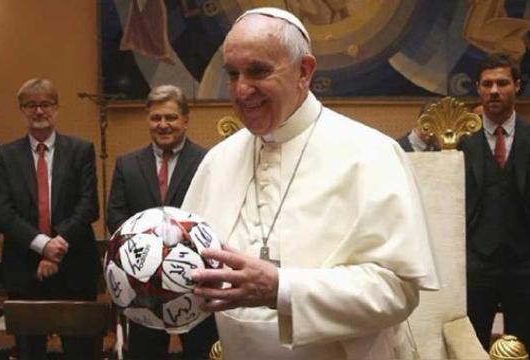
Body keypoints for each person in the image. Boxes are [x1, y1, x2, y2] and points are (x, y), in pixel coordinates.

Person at [182, 8, 440, 359]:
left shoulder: (370, 154)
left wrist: (282, 288)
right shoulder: (218, 161)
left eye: (257, 71)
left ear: (304, 71)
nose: (241, 90)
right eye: (232, 73)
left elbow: (397, 291)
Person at [0, 79, 100, 360]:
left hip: (75, 268)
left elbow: (89, 206)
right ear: (21, 110)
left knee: (81, 352)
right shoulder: (4, 156)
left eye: (46, 104)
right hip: (24, 273)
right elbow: (4, 213)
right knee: (29, 352)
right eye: (31, 105)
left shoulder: (81, 150)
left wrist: (57, 246)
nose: (39, 111)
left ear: (57, 108)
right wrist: (42, 245)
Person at [107, 84, 216, 359]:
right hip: (143, 287)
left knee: (200, 353)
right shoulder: (127, 164)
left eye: (171, 117)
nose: (163, 125)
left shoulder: (208, 162)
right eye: (156, 118)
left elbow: (215, 214)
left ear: (186, 120)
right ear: (148, 119)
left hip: (194, 284)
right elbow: (115, 216)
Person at [459, 53, 530, 358]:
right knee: (469, 349)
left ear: (517, 86)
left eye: (502, 83)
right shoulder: (459, 139)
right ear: (479, 89)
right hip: (474, 265)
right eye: (487, 84)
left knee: (527, 349)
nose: (494, 90)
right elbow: (410, 153)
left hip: (528, 265)